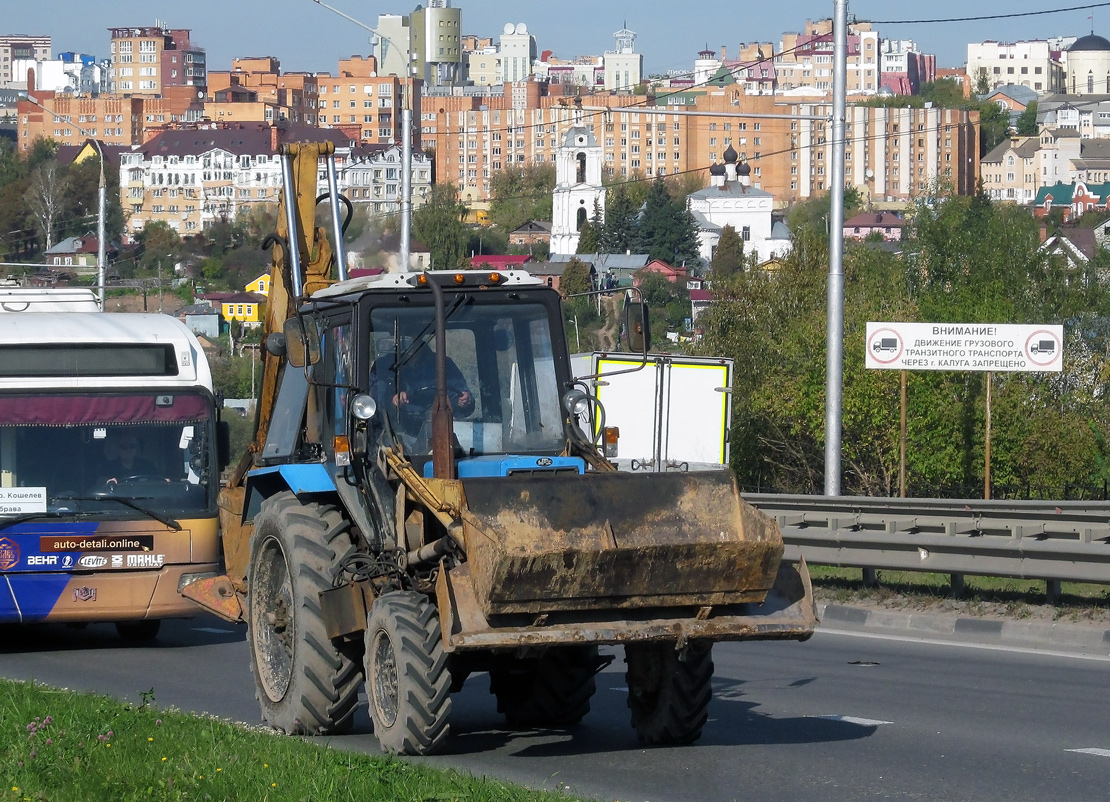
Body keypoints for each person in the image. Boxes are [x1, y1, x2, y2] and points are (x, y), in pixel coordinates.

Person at [369, 332, 474, 448]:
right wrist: (392, 401)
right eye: (403, 336)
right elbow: (372, 403)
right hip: (395, 435)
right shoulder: (384, 366)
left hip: (438, 434)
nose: (406, 342)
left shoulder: (443, 364)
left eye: (413, 335)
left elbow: (459, 396)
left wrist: (464, 401)